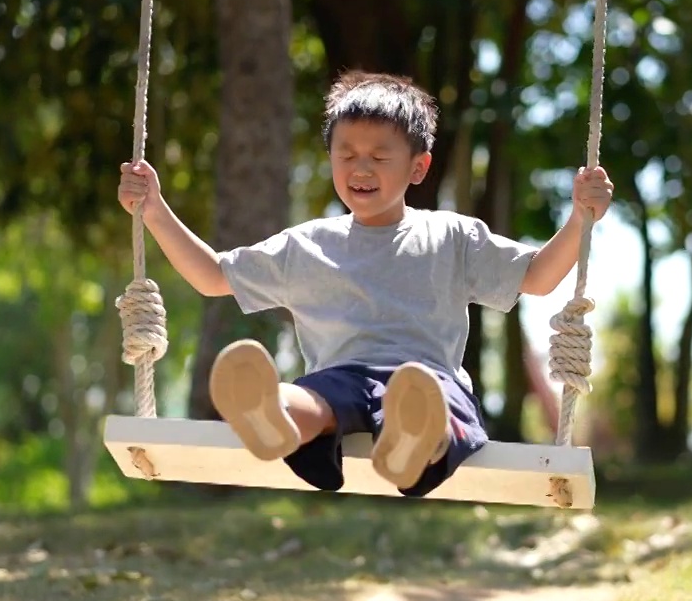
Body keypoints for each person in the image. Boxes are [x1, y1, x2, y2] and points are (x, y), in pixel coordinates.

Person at [117, 70, 612, 497]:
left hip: (428, 381)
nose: (360, 167)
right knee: (315, 398)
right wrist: (155, 212)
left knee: (424, 403)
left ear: (418, 167)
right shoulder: (306, 245)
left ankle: (412, 441)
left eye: (380, 155)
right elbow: (213, 276)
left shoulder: (451, 235)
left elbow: (538, 277)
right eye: (346, 153)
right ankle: (272, 412)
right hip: (342, 378)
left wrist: (579, 220)